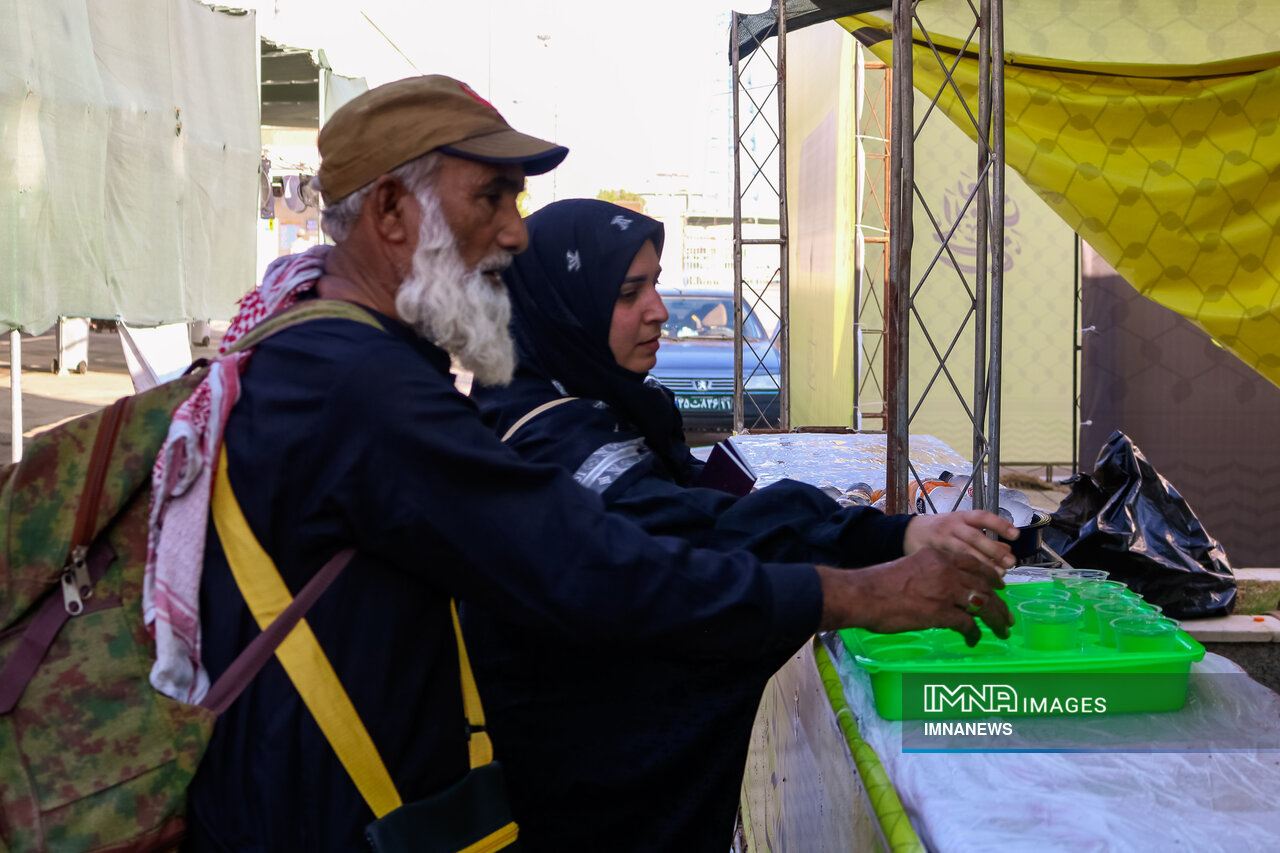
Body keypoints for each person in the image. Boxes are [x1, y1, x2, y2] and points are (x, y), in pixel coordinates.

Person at [159, 77, 1012, 852]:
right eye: (490, 197)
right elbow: (587, 564)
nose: (513, 231)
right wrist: (863, 589)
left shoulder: (324, 348)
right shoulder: (359, 385)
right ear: (390, 211)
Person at [467, 198, 1018, 849]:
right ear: (564, 304)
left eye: (656, 283)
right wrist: (873, 568)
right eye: (627, 292)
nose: (659, 311)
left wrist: (892, 535)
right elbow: (695, 539)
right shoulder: (554, 439)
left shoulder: (589, 403)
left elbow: (699, 510)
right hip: (581, 803)